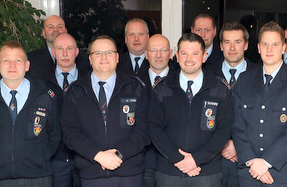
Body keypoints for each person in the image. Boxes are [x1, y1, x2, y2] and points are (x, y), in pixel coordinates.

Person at [60, 35, 149, 187]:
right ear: (90, 59)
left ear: (117, 57)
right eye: (98, 53)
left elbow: (144, 129)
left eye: (108, 52)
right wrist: (98, 156)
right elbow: (70, 132)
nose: (104, 57)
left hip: (129, 173)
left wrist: (118, 155)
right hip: (92, 173)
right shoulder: (75, 91)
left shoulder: (135, 88)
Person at [232, 21, 287, 186]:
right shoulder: (244, 79)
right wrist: (252, 161)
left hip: (282, 174)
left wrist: (266, 162)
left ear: (283, 47)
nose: (269, 49)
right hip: (249, 173)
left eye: (275, 44)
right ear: (259, 48)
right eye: (265, 44)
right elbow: (236, 124)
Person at [148, 33, 233, 187]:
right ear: (177, 57)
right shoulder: (162, 89)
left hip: (207, 173)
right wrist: (179, 159)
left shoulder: (219, 89)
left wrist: (196, 159)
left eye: (195, 54)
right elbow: (154, 128)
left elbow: (224, 129)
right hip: (169, 172)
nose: (189, 59)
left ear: (204, 56)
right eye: (184, 53)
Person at [0, 41, 61, 187]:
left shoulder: (45, 95)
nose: (12, 65)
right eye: (6, 60)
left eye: (18, 60)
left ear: (27, 65)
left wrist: (39, 158)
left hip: (39, 176)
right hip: (1, 177)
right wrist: (0, 156)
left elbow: (55, 134)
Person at [212, 21, 259, 187]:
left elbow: (262, 119)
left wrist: (238, 145)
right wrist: (224, 142)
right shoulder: (207, 74)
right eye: (227, 42)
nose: (232, 48)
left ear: (246, 45)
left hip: (248, 159)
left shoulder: (259, 75)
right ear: (221, 46)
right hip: (213, 159)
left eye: (237, 42)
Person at [41, 33, 89, 187]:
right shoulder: (41, 83)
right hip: (55, 159)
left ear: (76, 52)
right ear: (53, 52)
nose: (65, 53)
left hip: (85, 157)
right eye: (60, 49)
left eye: (69, 48)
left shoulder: (90, 81)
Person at [143, 34, 175, 187]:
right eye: (153, 50)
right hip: (142, 161)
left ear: (170, 53)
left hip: (173, 162)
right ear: (146, 54)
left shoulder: (181, 82)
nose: (158, 55)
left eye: (163, 50)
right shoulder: (132, 82)